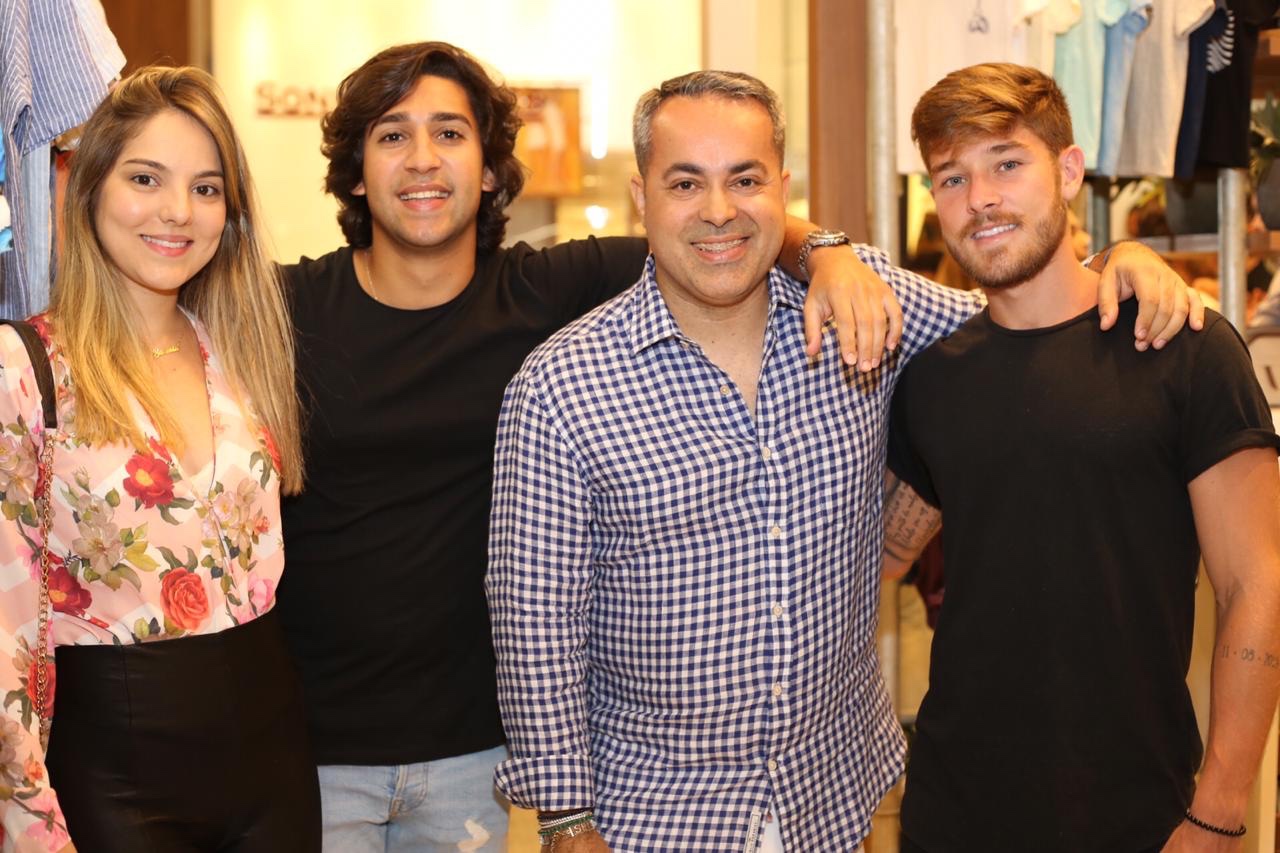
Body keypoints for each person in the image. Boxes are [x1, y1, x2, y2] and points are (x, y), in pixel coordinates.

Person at [484, 69, 1202, 853]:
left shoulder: (868, 313)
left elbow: (1021, 315)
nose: (719, 210)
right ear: (641, 196)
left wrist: (1120, 260)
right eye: (685, 183)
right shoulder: (561, 386)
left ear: (783, 190)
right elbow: (535, 624)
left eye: (745, 179)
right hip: (651, 817)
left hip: (829, 801)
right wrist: (566, 822)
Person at [275, 40, 927, 853]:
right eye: (392, 135)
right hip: (314, 745)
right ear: (355, 169)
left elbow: (718, 224)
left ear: (489, 167)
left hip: (470, 747)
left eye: (449, 133)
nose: (422, 160)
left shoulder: (548, 289)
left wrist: (830, 253)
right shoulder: (284, 310)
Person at [883, 62, 1280, 853]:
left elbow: (1258, 584)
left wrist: (1219, 808)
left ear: (1068, 171)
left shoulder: (1182, 347)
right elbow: (880, 562)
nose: (980, 198)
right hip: (950, 813)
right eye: (952, 177)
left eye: (1007, 163)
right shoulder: (930, 378)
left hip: (1136, 815)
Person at [0, 66, 318, 852]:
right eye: (146, 178)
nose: (178, 210)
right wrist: (30, 822)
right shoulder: (24, 369)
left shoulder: (243, 352)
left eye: (207, 188)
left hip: (273, 763)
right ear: (90, 187)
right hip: (112, 777)